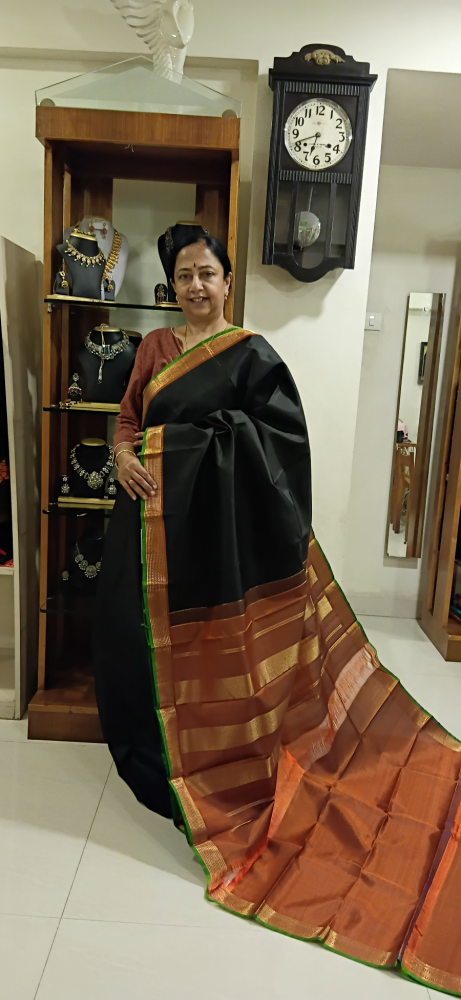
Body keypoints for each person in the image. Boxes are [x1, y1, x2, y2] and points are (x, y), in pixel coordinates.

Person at [94, 232, 461, 995]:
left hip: (222, 548)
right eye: (183, 276)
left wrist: (186, 448)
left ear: (227, 282)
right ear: (171, 287)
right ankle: (162, 764)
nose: (195, 286)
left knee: (220, 658)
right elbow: (127, 420)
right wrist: (125, 454)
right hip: (152, 533)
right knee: (139, 649)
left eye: (206, 273)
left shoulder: (251, 355)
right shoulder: (154, 348)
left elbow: (278, 442)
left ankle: (225, 768)